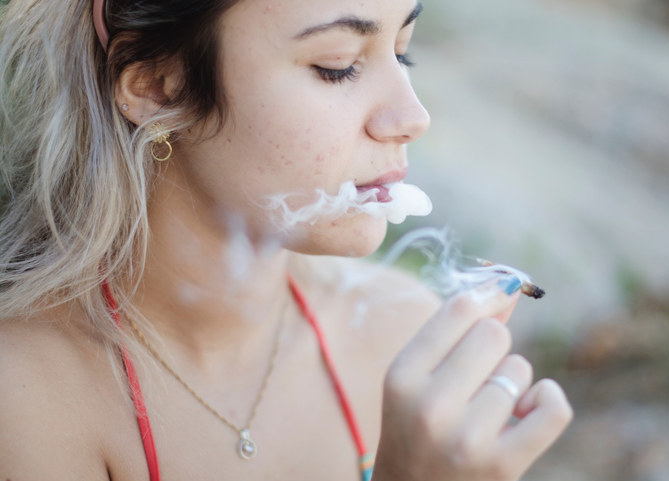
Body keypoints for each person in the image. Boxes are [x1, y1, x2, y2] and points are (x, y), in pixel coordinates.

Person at [0, 0, 572, 480]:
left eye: (403, 52)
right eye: (337, 66)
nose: (411, 116)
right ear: (157, 86)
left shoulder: (403, 340)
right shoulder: (26, 398)